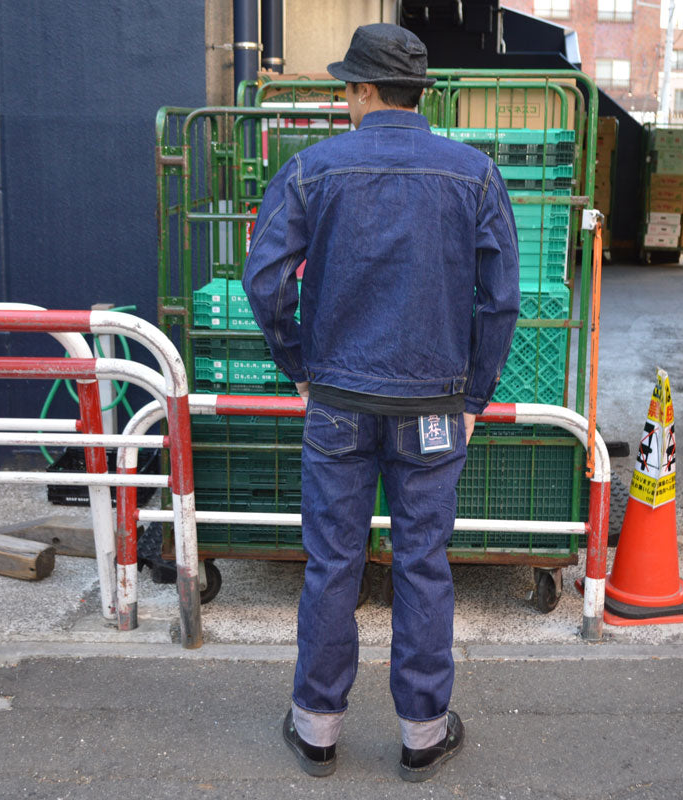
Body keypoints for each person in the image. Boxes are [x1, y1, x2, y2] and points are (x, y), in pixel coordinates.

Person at [242, 22, 519, 783]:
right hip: (433, 403)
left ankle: (317, 731)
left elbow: (264, 281)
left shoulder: (311, 169)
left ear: (364, 91)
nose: (344, 99)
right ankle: (423, 735)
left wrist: (298, 366)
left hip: (336, 398)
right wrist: (476, 396)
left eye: (346, 87)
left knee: (333, 563)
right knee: (422, 563)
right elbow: (500, 301)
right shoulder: (474, 173)